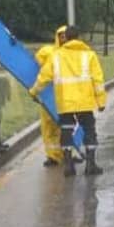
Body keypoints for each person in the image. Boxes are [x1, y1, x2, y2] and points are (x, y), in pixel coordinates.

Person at [29, 26, 106, 177]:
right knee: (89, 131)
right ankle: (90, 165)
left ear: (65, 38)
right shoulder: (89, 55)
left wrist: (34, 92)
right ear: (78, 37)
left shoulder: (56, 56)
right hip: (84, 102)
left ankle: (69, 166)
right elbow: (98, 80)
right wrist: (101, 101)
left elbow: (44, 77)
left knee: (66, 132)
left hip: (65, 102)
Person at [34, 26, 68, 167]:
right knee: (48, 127)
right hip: (49, 94)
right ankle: (52, 156)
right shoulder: (49, 52)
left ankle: (65, 153)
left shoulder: (74, 54)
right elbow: (38, 62)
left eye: (66, 35)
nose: (63, 38)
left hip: (65, 96)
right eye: (61, 35)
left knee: (64, 126)